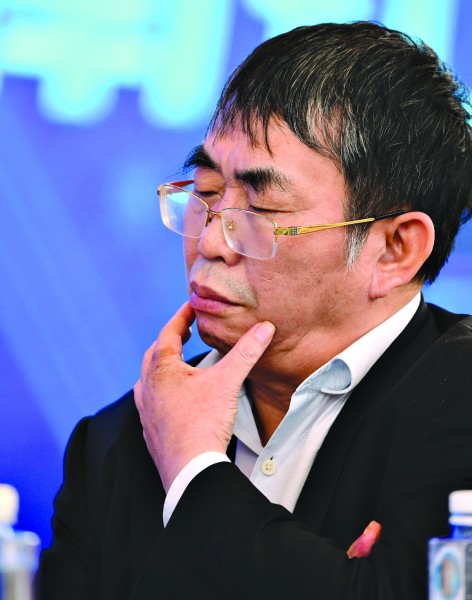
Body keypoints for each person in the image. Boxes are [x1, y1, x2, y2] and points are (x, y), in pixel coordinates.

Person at [37, 21, 472, 600]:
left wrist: (194, 472)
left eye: (260, 210)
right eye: (205, 194)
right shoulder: (117, 441)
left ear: (395, 250)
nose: (210, 241)